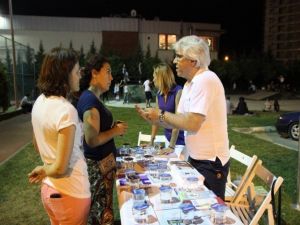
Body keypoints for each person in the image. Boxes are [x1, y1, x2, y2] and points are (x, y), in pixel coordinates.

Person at [136, 35, 230, 200]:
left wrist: (161, 115)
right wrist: (153, 118)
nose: (174, 61)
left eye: (179, 56)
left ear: (193, 61)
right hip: (196, 158)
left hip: (210, 163)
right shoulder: (189, 84)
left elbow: (192, 124)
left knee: (209, 213)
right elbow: (178, 120)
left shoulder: (205, 80)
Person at [28, 47, 91, 225]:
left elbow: (37, 143)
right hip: (71, 192)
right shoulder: (66, 110)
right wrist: (44, 169)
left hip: (50, 191)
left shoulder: (40, 101)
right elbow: (60, 168)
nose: (80, 76)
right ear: (65, 75)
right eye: (77, 72)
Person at [77, 54, 128, 225]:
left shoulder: (92, 98)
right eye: (108, 72)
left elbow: (98, 130)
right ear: (94, 73)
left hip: (103, 167)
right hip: (97, 169)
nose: (111, 77)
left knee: (104, 210)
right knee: (100, 215)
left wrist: (112, 127)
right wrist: (115, 130)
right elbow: (92, 139)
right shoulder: (90, 101)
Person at [150, 63, 185, 155]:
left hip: (180, 141)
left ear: (161, 78)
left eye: (154, 77)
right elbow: (156, 119)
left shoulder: (178, 91)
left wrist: (171, 146)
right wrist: (151, 141)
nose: (153, 80)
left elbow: (178, 121)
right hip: (168, 139)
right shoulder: (159, 94)